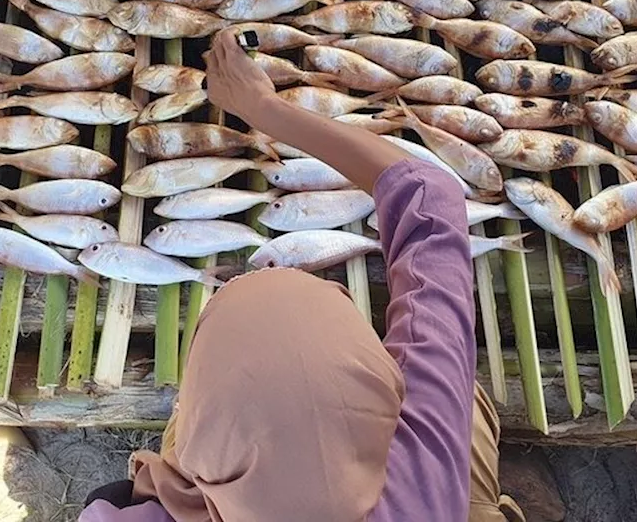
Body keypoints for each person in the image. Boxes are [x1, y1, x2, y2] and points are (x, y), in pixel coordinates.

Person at [79, 31, 524, 521]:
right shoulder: (424, 480)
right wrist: (268, 110)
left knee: (207, 420)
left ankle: (210, 433)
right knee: (460, 400)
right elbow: (429, 197)